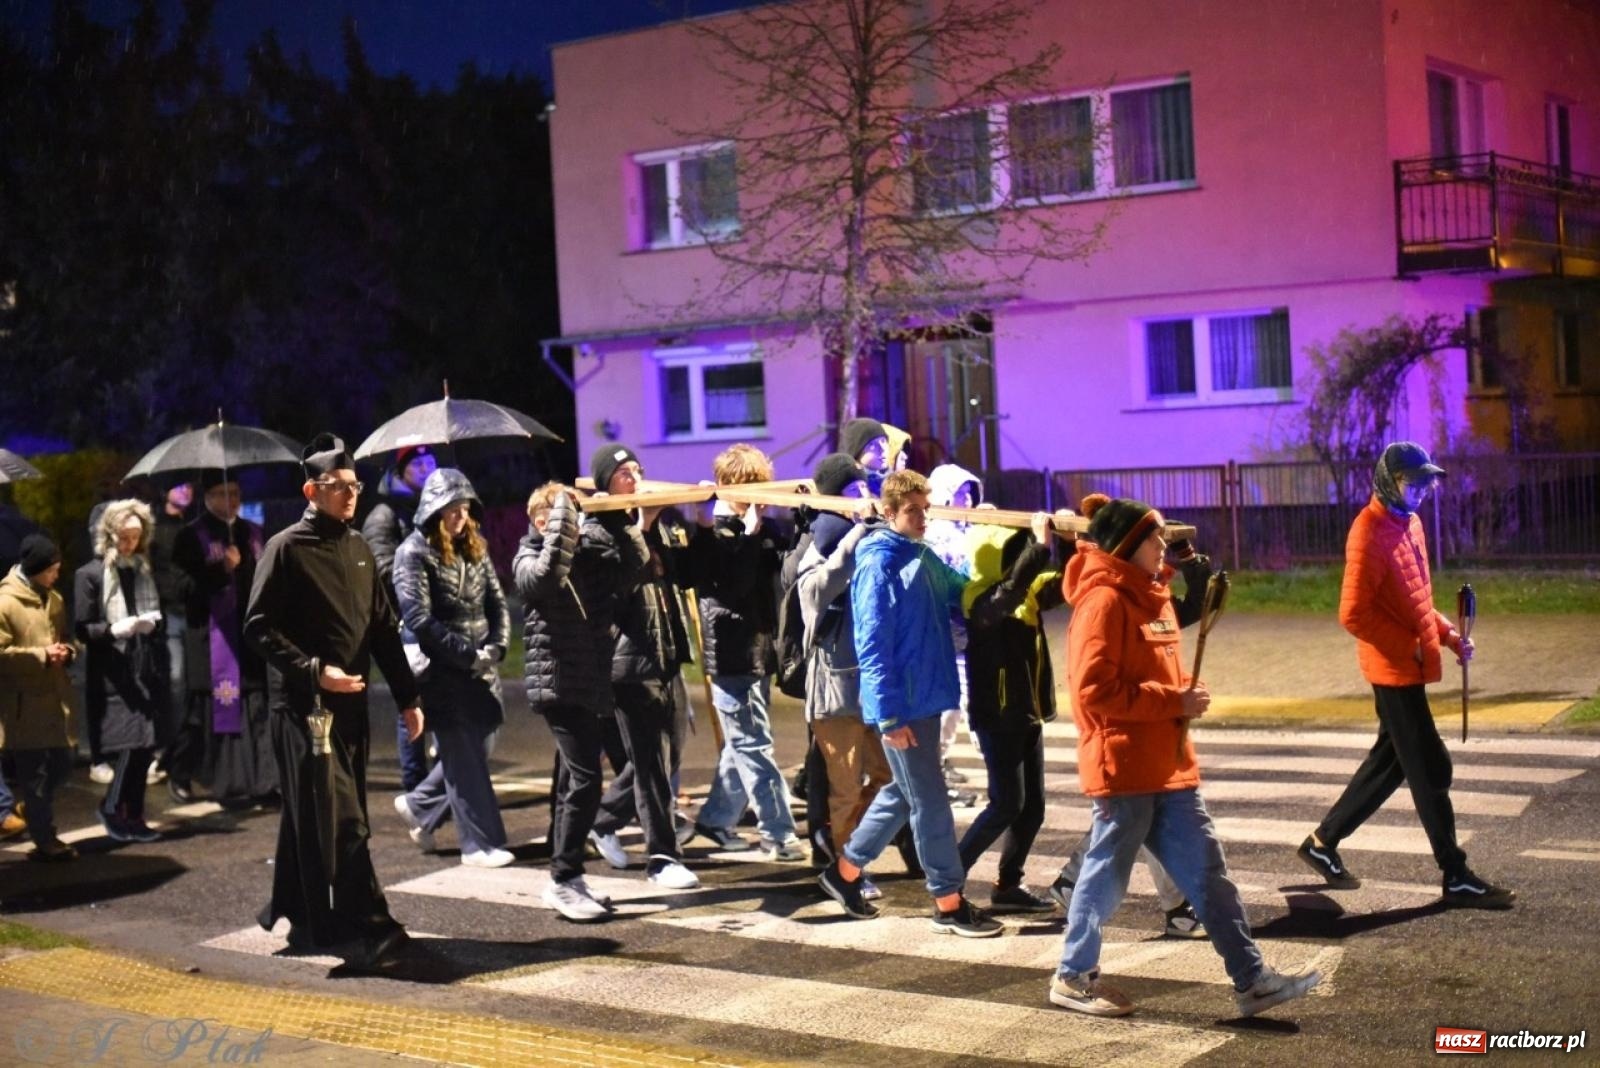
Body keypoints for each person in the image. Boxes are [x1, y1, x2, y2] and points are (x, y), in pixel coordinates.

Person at [1050, 493, 1320, 1018]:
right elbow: (1093, 691)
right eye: (1154, 538)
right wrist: (1174, 701)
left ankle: (1251, 979)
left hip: (1169, 763)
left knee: (1208, 873)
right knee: (1105, 877)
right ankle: (1072, 976)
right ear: (1129, 546)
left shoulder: (1151, 594)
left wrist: (1177, 695)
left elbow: (1158, 657)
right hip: (1125, 766)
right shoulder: (1104, 601)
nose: (1163, 546)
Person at [1299, 442, 1515, 909]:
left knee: (1392, 762)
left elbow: (1415, 600)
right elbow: (1353, 613)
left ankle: (1322, 842)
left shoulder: (1409, 524)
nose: (1422, 491)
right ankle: (1455, 873)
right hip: (1392, 670)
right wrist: (1410, 646)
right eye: (1413, 482)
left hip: (1409, 664)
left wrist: (1450, 636)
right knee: (1430, 769)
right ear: (1389, 481)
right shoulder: (1369, 531)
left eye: (1426, 482)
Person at [244, 434, 422, 967]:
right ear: (311, 490)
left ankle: (305, 916)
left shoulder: (360, 548)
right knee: (343, 820)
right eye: (338, 487)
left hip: (351, 708)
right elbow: (258, 628)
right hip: (303, 712)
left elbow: (385, 632)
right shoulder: (285, 548)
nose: (350, 495)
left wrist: (409, 697)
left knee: (316, 812)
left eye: (355, 486)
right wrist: (316, 673)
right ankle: (373, 928)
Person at [817, 470, 1001, 937]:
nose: (923, 517)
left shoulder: (921, 556)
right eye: (913, 510)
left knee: (904, 794)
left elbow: (963, 593)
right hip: (904, 705)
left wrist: (1004, 549)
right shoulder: (877, 566)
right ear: (890, 512)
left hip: (927, 697)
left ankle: (844, 873)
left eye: (926, 508)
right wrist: (889, 716)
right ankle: (948, 900)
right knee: (931, 801)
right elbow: (872, 645)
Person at [585, 444, 699, 890]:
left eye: (638, 469)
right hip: (628, 664)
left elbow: (684, 576)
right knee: (650, 762)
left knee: (663, 755)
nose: (635, 478)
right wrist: (642, 527)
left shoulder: (655, 530)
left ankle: (603, 819)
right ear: (606, 483)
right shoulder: (598, 533)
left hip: (666, 656)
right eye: (624, 472)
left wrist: (702, 525)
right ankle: (661, 858)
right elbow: (616, 590)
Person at [516, 482, 630, 921]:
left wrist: (628, 525)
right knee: (586, 782)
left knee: (573, 784)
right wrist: (564, 512)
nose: (578, 523)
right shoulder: (526, 556)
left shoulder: (582, 557)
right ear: (544, 521)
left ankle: (570, 876)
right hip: (558, 685)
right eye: (567, 516)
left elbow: (627, 568)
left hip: (589, 683)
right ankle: (562, 880)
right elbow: (545, 577)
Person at [684, 444, 802, 860]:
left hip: (759, 649)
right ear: (725, 486)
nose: (753, 493)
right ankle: (779, 833)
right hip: (732, 653)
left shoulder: (764, 529)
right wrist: (749, 536)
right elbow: (729, 587)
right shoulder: (713, 532)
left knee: (742, 742)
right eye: (744, 484)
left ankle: (716, 819)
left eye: (758, 483)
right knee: (754, 744)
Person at [392, 468, 513, 869]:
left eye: (464, 509)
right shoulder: (412, 552)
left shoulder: (474, 548)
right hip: (442, 671)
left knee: (480, 747)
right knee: (463, 756)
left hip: (480, 668)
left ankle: (420, 804)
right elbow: (420, 619)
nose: (459, 517)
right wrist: (466, 654)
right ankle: (478, 845)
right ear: (433, 511)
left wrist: (497, 645)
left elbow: (497, 600)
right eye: (451, 509)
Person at [956, 512, 1064, 912]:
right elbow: (1011, 590)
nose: (1020, 557)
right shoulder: (980, 599)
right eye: (1013, 550)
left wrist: (1068, 540)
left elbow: (1068, 584)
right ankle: (949, 879)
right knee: (1005, 803)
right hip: (996, 717)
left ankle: (1007, 886)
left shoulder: (1026, 593)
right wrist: (1038, 547)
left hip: (1026, 714)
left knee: (1032, 808)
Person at [796, 453, 890, 899]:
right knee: (846, 790)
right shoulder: (819, 542)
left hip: (872, 688)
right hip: (834, 692)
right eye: (853, 492)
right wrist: (855, 535)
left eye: (864, 490)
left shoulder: (869, 538)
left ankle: (851, 855)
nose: (864, 499)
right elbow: (815, 590)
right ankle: (848, 870)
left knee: (892, 781)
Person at [167, 471, 275, 806]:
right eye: (223, 494)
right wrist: (220, 569)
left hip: (248, 638)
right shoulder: (190, 537)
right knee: (201, 717)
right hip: (211, 640)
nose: (231, 500)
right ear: (208, 497)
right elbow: (179, 590)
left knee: (255, 710)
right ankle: (182, 772)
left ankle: (262, 782)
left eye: (236, 493)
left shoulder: (251, 532)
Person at [74, 500, 166, 842]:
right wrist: (115, 630)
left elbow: (158, 610)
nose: (130, 544)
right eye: (124, 537)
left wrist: (151, 625)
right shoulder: (90, 574)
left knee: (146, 745)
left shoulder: (141, 569)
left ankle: (134, 813)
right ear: (109, 535)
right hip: (112, 672)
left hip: (143, 666)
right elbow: (83, 628)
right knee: (132, 742)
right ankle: (113, 807)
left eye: (136, 537)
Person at [0, 535, 80, 861]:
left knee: (63, 765)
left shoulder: (54, 599)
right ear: (36, 569)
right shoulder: (6, 603)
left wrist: (68, 652)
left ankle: (35, 813)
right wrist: (41, 655)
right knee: (35, 776)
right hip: (22, 705)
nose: (56, 576)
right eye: (52, 570)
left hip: (55, 700)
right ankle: (45, 839)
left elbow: (66, 639)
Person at [363, 445, 438, 792]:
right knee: (411, 704)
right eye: (418, 463)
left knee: (442, 702)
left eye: (431, 462)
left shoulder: (434, 509)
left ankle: (438, 788)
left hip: (438, 621)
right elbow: (383, 571)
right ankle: (416, 788)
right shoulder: (384, 514)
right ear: (402, 470)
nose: (426, 469)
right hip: (407, 624)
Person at [148, 481, 193, 776]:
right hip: (168, 613)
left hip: (192, 610)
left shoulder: (192, 526)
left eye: (190, 486)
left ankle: (188, 749)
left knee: (192, 682)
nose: (186, 491)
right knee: (175, 681)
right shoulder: (154, 529)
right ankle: (168, 747)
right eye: (179, 486)